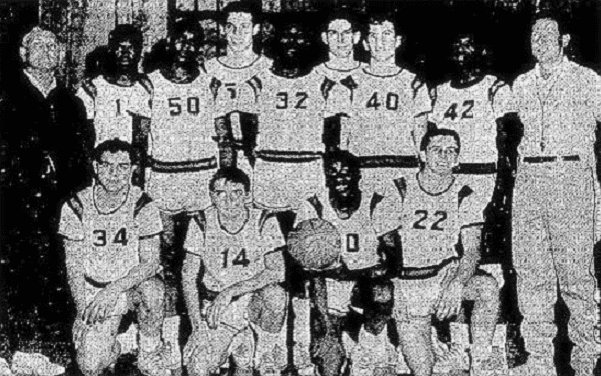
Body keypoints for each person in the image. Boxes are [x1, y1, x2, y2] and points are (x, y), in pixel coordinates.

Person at [509, 14, 601, 376]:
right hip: (529, 176)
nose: (540, 40)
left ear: (564, 39)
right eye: (535, 34)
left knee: (577, 276)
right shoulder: (521, 84)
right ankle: (539, 362)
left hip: (571, 175)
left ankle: (586, 361)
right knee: (531, 274)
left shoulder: (587, 80)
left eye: (548, 34)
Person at [380, 128, 500, 376]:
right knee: (423, 370)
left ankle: (480, 360)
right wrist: (395, 289)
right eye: (437, 150)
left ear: (457, 159)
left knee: (487, 288)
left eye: (451, 151)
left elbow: (472, 251)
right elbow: (387, 247)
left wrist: (457, 284)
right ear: (423, 154)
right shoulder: (398, 189)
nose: (444, 156)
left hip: (443, 278)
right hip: (408, 283)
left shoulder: (465, 193)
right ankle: (421, 345)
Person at [1, 25, 90, 345]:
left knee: (59, 267)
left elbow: (82, 153)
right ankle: (22, 343)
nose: (47, 51)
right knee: (21, 271)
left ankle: (57, 341)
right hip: (18, 202)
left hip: (61, 201)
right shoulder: (7, 96)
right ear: (23, 54)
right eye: (38, 46)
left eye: (53, 46)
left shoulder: (71, 102)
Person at [58, 139, 172, 376]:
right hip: (94, 289)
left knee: (153, 290)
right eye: (107, 165)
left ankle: (149, 352)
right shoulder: (76, 205)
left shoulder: (143, 203)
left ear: (132, 169)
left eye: (122, 166)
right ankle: (117, 344)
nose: (114, 173)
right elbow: (74, 266)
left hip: (129, 288)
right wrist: (82, 312)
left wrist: (113, 291)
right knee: (90, 366)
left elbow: (151, 262)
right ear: (95, 167)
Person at [296, 151, 397, 376]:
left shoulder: (375, 203)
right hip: (328, 283)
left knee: (382, 292)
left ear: (358, 175)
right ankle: (338, 338)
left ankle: (367, 343)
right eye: (332, 173)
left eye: (346, 173)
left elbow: (394, 259)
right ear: (325, 177)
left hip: (367, 283)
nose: (339, 178)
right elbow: (308, 270)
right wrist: (326, 325)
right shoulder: (313, 206)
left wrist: (361, 272)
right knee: (329, 362)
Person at [182, 167, 288, 376]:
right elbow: (188, 277)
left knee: (276, 295)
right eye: (221, 194)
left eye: (236, 193)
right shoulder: (201, 221)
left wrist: (229, 291)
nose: (229, 201)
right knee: (198, 368)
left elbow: (277, 271)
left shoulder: (263, 219)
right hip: (218, 307)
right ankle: (241, 343)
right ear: (211, 195)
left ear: (248, 195)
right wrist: (197, 328)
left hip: (254, 301)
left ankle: (265, 349)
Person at [146, 19, 217, 317]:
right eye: (180, 39)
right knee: (167, 255)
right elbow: (140, 138)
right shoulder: (149, 82)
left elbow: (223, 135)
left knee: (202, 255)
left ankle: (200, 322)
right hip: (165, 178)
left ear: (200, 46)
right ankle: (168, 326)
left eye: (193, 41)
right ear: (169, 41)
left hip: (202, 178)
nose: (186, 46)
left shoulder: (211, 82)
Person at [428, 32, 513, 262]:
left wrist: (503, 187)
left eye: (468, 45)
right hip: (446, 177)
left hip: (482, 176)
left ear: (481, 51)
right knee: (447, 241)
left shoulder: (495, 87)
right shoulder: (440, 91)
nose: (461, 50)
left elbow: (507, 142)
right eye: (457, 45)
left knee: (482, 241)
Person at [342, 12, 431, 194]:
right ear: (365, 43)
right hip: (363, 168)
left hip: (403, 168)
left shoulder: (414, 83)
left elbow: (420, 135)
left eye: (387, 34)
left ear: (398, 41)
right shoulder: (350, 83)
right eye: (373, 36)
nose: (380, 42)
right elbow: (344, 136)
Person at [253, 19, 327, 215]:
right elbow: (247, 134)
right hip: (269, 168)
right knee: (270, 238)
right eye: (287, 35)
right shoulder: (257, 83)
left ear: (310, 42)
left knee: (309, 237)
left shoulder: (324, 84)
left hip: (308, 169)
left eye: (299, 36)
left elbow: (332, 137)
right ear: (276, 40)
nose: (293, 42)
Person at [205, 1, 272, 170]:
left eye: (244, 26)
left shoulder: (268, 67)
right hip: (219, 154)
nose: (237, 33)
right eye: (231, 26)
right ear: (222, 30)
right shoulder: (208, 68)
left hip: (259, 154)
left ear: (255, 29)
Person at [76, 24, 152, 149]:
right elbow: (83, 135)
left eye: (131, 47)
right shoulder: (92, 88)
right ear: (111, 50)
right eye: (120, 47)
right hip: (102, 162)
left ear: (139, 51)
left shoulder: (148, 88)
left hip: (134, 164)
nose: (125, 53)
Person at [314, 9, 363, 151]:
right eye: (333, 33)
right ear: (325, 38)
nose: (340, 39)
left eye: (346, 33)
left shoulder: (369, 72)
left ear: (356, 37)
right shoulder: (314, 74)